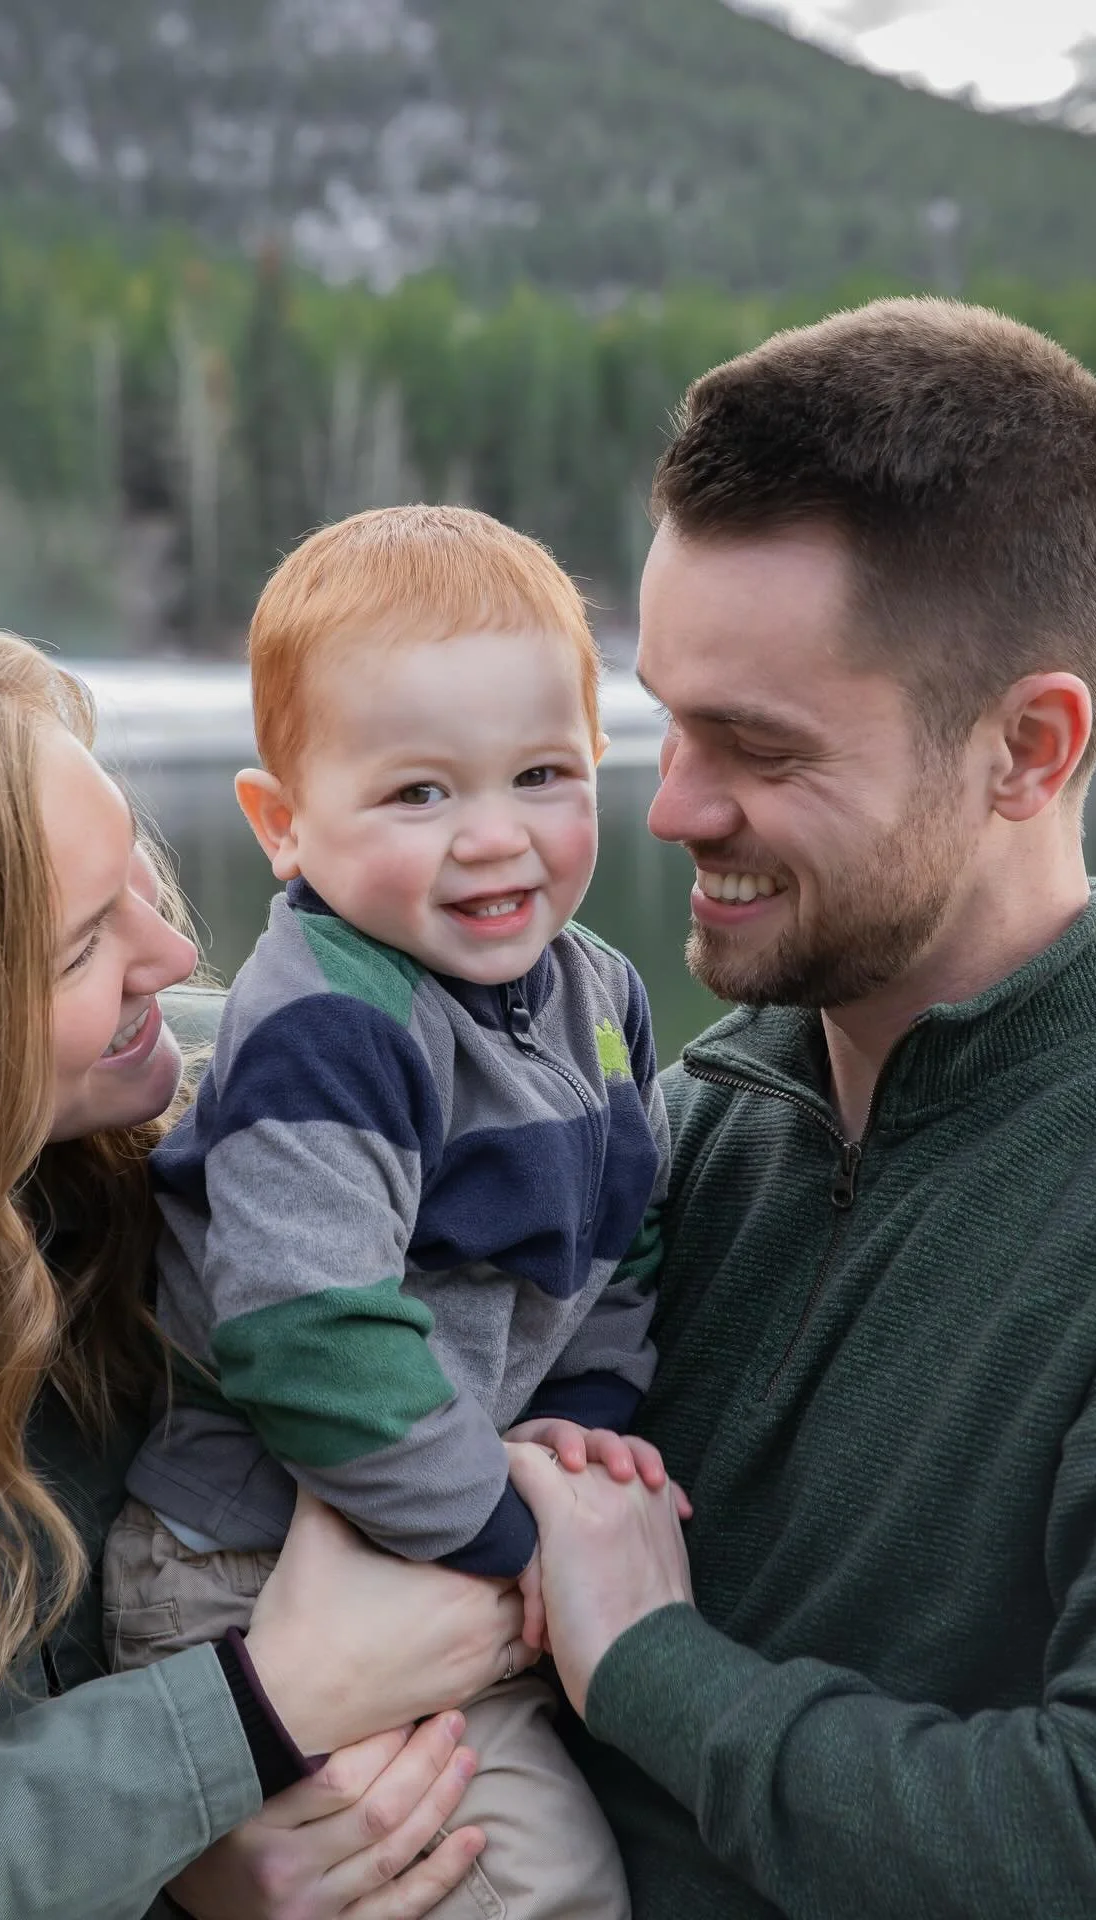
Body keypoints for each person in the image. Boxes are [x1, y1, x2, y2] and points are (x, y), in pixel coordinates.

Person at [497, 296, 1096, 1917]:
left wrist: (653, 1665)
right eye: (663, 719)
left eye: (756, 746)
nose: (672, 807)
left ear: (1027, 748)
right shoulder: (675, 1125)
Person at [0, 602, 538, 1920]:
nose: (175, 953)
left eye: (137, 870)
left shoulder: (225, 1126)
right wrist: (251, 1725)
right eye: (82, 946)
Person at [105, 504, 678, 1920]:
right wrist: (516, 1542)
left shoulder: (598, 993)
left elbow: (624, 1227)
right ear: (283, 825)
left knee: (572, 1866)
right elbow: (310, 1340)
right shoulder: (332, 1023)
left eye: (541, 775)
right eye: (419, 793)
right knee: (513, 1890)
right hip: (255, 1571)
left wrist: (585, 1419)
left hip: (428, 1523)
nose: (494, 838)